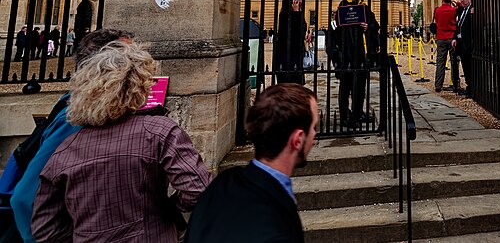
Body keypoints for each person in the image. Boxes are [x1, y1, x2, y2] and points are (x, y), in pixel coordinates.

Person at [30, 40, 210, 243]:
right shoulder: (158, 131)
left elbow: (45, 229)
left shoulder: (65, 149)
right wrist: (164, 211)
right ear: (138, 87)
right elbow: (199, 189)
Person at [8, 29, 138, 243]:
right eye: (131, 57)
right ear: (106, 66)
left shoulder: (102, 110)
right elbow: (25, 198)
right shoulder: (77, 117)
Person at [186, 83, 318, 243]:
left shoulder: (222, 183)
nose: (315, 135)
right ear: (297, 140)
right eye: (313, 127)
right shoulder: (274, 234)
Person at [330, 0, 378, 128]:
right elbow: (334, 29)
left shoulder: (364, 7)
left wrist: (368, 27)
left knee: (360, 87)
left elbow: (375, 24)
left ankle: (357, 113)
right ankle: (345, 115)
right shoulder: (342, 8)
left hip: (361, 54)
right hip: (348, 54)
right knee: (346, 87)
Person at [273, 0, 308, 85]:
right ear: (294, 1)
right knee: (290, 85)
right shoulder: (285, 15)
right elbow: (293, 33)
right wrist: (296, 12)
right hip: (288, 55)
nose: (302, 1)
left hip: (296, 53)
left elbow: (301, 30)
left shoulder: (298, 13)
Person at [433, 0, 458, 93]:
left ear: (442, 0)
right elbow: (460, 6)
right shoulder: (453, 10)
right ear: (450, 0)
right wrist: (454, 1)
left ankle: (438, 85)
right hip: (452, 38)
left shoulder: (437, 10)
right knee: (454, 62)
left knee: (440, 63)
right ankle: (455, 84)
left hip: (441, 38)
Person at [453, 0, 474, 97]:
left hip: (468, 42)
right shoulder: (462, 10)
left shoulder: (472, 9)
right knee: (464, 66)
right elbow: (458, 26)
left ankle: (472, 88)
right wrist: (455, 38)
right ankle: (468, 86)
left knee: (469, 66)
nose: (462, 0)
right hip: (460, 42)